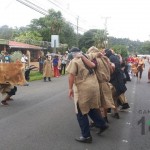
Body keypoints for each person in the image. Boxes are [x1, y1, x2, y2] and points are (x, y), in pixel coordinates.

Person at [66, 47, 108, 143]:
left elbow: (71, 75)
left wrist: (69, 89)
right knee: (91, 108)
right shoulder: (87, 56)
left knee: (80, 112)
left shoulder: (74, 61)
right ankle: (102, 124)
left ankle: (86, 136)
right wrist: (100, 54)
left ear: (72, 54)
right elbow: (97, 54)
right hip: (94, 86)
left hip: (83, 88)